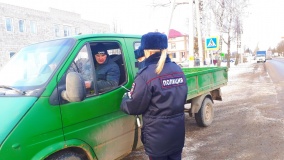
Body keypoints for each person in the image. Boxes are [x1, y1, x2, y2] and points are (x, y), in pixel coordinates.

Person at [120, 32, 188, 160]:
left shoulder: (146, 75)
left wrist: (125, 99)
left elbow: (134, 107)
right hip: (177, 134)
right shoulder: (178, 70)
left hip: (157, 138)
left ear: (147, 51)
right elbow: (182, 97)